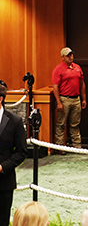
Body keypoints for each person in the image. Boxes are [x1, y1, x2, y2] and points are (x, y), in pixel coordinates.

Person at [0, 81, 28, 226]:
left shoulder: (15, 121)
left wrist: (2, 167)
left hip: (3, 183)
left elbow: (21, 152)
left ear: (0, 98)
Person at [52, 47, 87, 154]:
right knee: (61, 124)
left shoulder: (77, 68)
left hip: (76, 99)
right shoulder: (58, 69)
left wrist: (84, 99)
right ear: (63, 57)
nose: (70, 57)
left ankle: (77, 147)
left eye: (71, 55)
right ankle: (60, 148)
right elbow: (55, 87)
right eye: (68, 55)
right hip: (64, 99)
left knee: (75, 124)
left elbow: (82, 84)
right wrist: (58, 102)